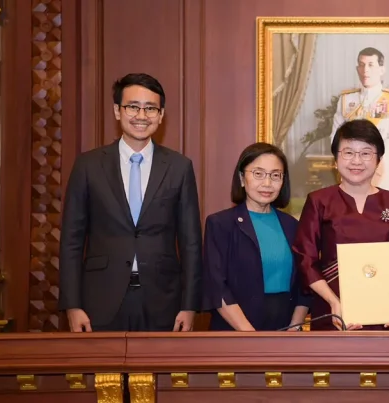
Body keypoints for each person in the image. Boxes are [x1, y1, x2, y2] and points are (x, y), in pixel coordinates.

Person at [59, 73, 203, 332]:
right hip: (99, 299)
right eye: (133, 107)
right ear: (117, 111)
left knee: (161, 372)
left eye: (150, 108)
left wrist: (189, 305)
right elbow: (71, 240)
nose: (141, 115)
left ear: (160, 115)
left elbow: (191, 242)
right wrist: (72, 305)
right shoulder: (88, 166)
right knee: (102, 373)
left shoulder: (180, 167)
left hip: (164, 301)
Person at [294, 119, 389, 330]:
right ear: (336, 159)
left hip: (385, 317)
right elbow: (306, 260)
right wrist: (333, 302)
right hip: (333, 313)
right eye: (348, 152)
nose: (356, 161)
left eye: (366, 153)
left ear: (378, 160)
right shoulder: (319, 201)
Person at [202, 143, 310, 331]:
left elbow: (304, 283)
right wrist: (249, 335)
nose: (267, 183)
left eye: (275, 175)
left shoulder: (292, 225)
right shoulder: (221, 224)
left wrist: (295, 326)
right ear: (242, 178)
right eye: (258, 174)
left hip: (285, 329)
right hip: (236, 331)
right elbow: (216, 285)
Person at [330, 47, 389, 193]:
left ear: (381, 69)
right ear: (357, 68)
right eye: (361, 64)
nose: (365, 70)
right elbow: (335, 136)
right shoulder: (346, 100)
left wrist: (372, 159)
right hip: (350, 169)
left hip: (382, 169)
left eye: (371, 65)